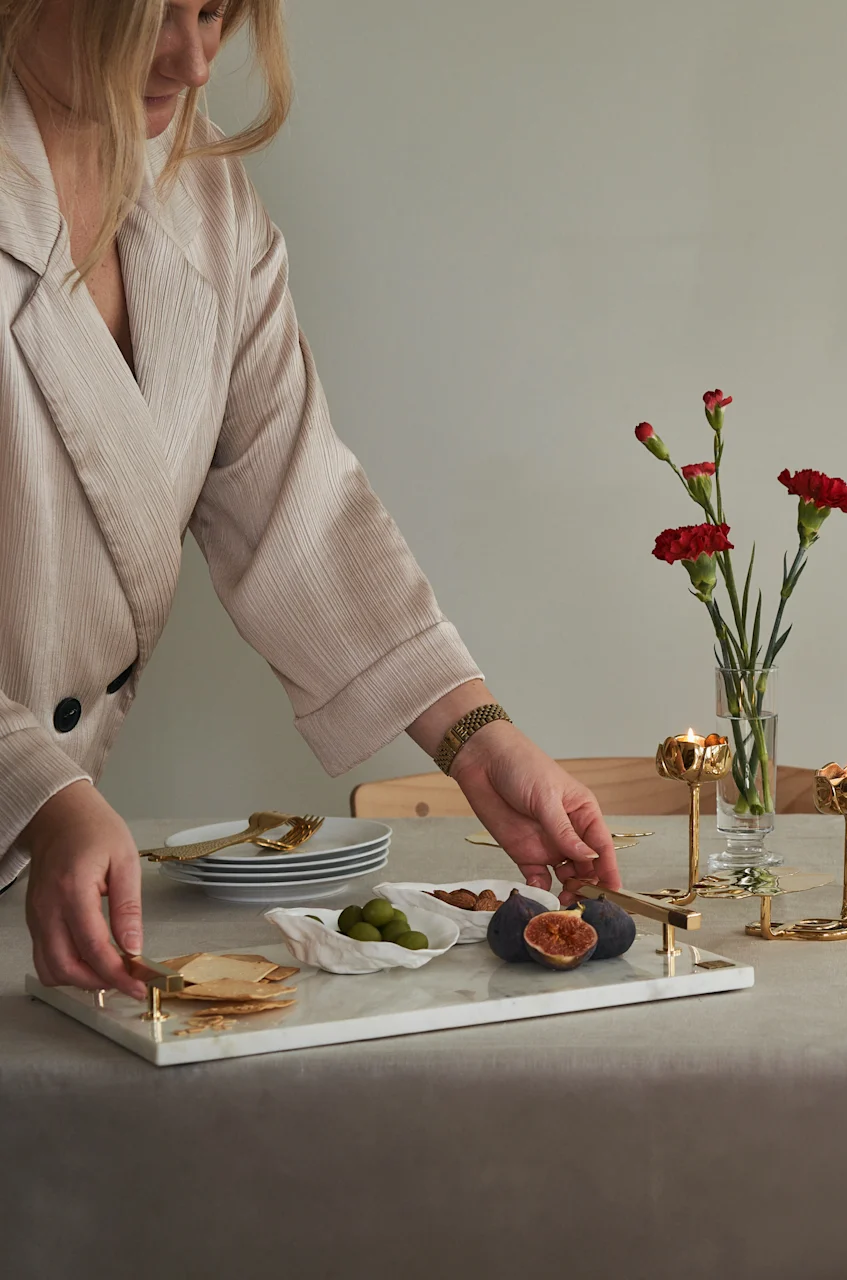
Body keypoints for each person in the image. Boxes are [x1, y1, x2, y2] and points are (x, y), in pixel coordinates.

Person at [0, 0, 620, 1000]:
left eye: (215, 12)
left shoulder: (202, 194)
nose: (197, 62)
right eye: (153, 14)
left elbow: (294, 497)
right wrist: (38, 790)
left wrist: (476, 736)